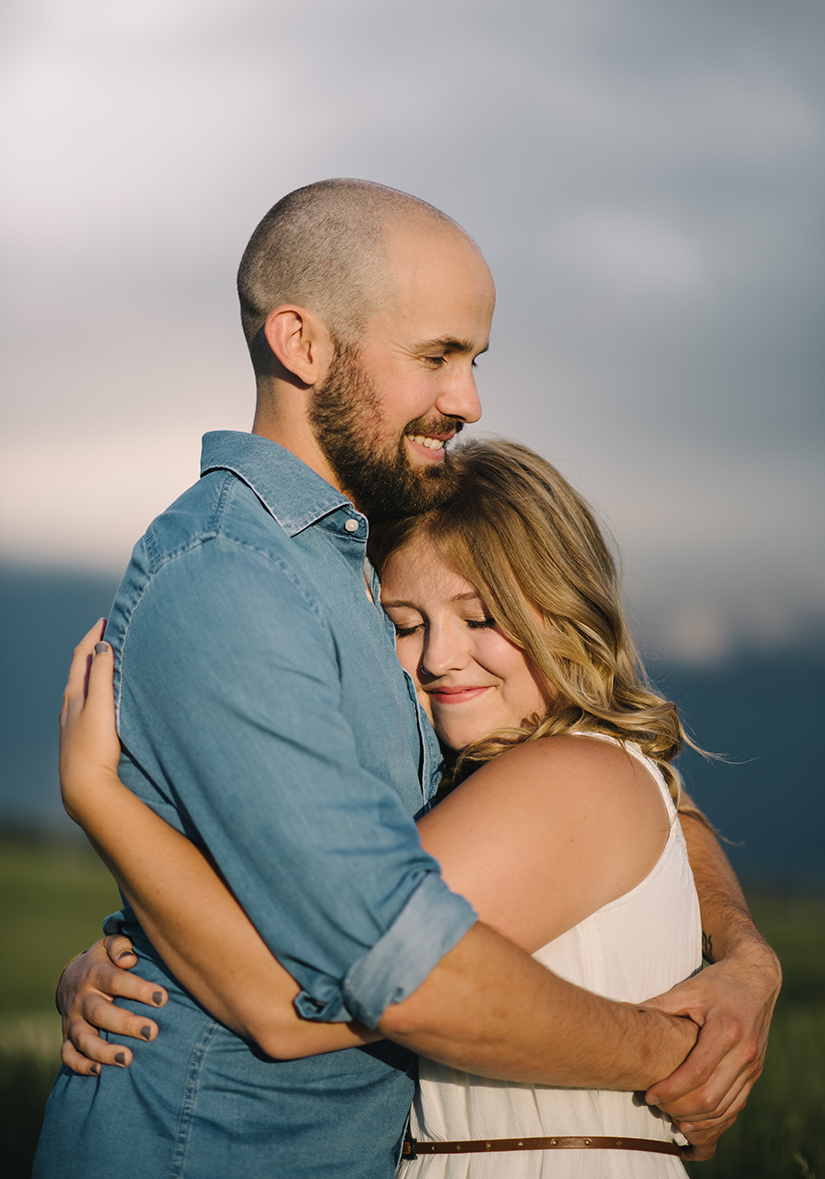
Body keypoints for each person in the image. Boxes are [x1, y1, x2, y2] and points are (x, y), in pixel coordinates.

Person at [38, 180, 780, 1178]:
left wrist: (745, 956)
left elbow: (630, 798)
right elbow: (360, 976)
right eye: (437, 356)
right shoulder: (239, 579)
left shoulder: (347, 569)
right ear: (301, 344)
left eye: (473, 360)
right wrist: (674, 1053)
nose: (468, 399)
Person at [58, 437, 726, 1175]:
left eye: (480, 619)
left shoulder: (568, 777)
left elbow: (288, 1004)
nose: (440, 656)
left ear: (565, 613)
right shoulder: (561, 775)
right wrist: (116, 958)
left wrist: (103, 799)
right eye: (406, 626)